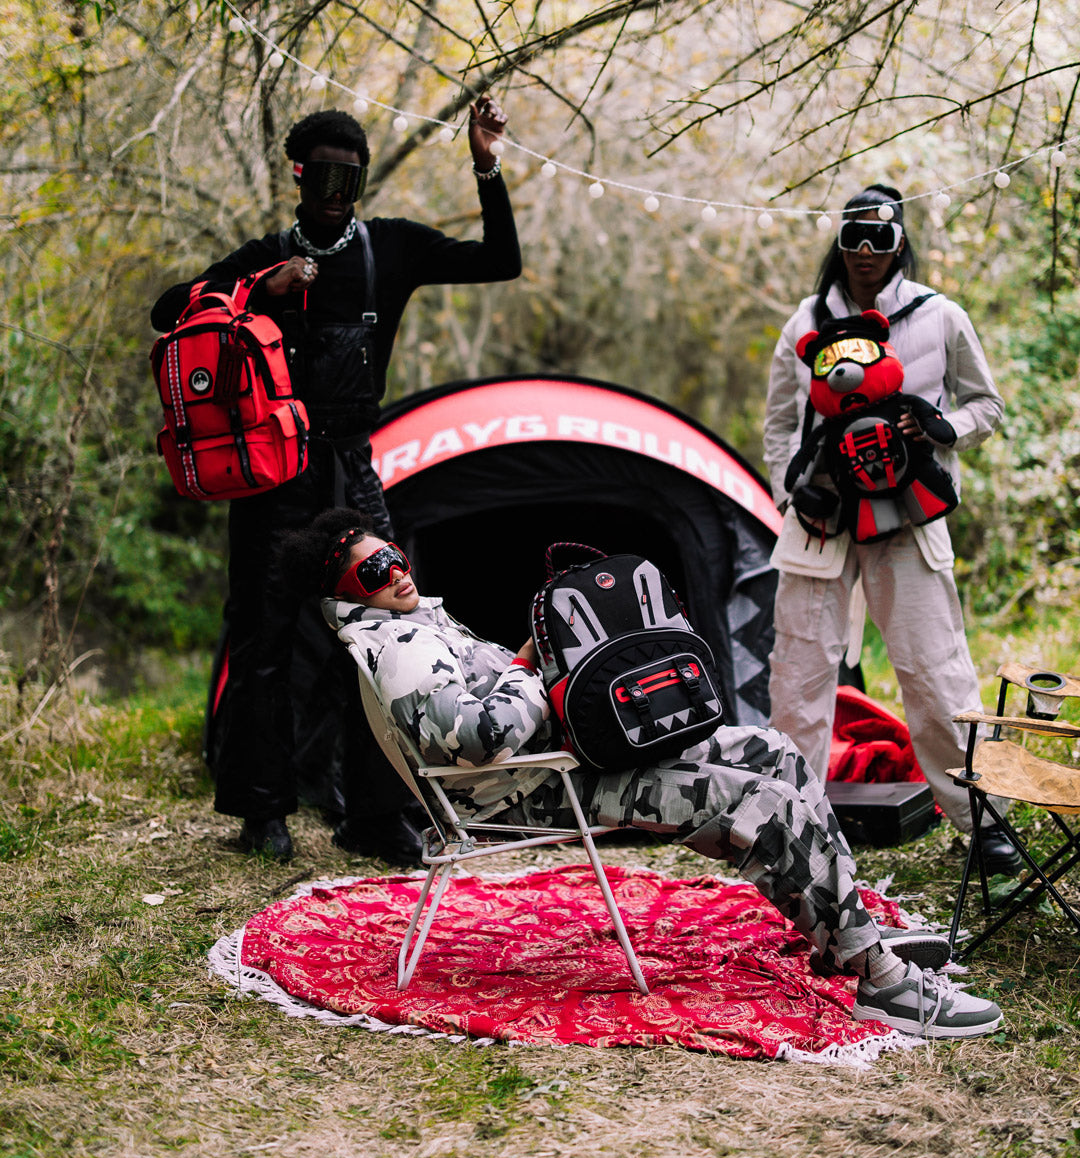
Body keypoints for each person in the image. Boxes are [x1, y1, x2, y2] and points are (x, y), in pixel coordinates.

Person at [276, 505, 1005, 1040]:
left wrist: (535, 672)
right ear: (343, 588)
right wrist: (535, 672)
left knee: (773, 753)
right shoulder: (398, 647)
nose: (396, 573)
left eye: (395, 557)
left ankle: (842, 932)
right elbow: (474, 739)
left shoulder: (411, 624)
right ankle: (881, 980)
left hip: (558, 769)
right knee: (764, 800)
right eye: (375, 569)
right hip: (542, 793)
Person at [150, 99, 520, 864]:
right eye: (321, 174)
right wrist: (259, 291)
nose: (333, 191)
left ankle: (375, 818)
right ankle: (262, 813)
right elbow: (167, 313)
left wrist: (486, 165)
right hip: (270, 479)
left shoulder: (392, 250)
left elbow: (499, 261)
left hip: (353, 470)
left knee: (383, 636)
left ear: (361, 181)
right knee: (264, 639)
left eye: (348, 178)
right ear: (297, 173)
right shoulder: (259, 257)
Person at [762, 183, 1017, 874]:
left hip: (909, 515)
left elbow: (987, 405)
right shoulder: (805, 323)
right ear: (838, 243)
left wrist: (944, 429)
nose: (867, 253)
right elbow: (781, 424)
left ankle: (981, 820)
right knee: (800, 678)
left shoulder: (940, 317)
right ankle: (793, 829)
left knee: (936, 672)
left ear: (900, 240)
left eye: (880, 238)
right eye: (854, 239)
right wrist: (793, 488)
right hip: (822, 521)